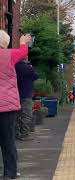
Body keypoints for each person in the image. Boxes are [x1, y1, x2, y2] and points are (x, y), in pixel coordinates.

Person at [0, 30, 31, 179]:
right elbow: (23, 52)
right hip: (7, 107)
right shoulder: (9, 55)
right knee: (8, 140)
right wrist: (23, 42)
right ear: (5, 43)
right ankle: (9, 173)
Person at [15, 57, 38, 140]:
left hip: (15, 94)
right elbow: (35, 76)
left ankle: (16, 133)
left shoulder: (14, 67)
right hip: (26, 95)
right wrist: (30, 66)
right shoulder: (29, 68)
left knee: (16, 115)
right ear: (25, 59)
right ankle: (24, 134)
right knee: (26, 115)